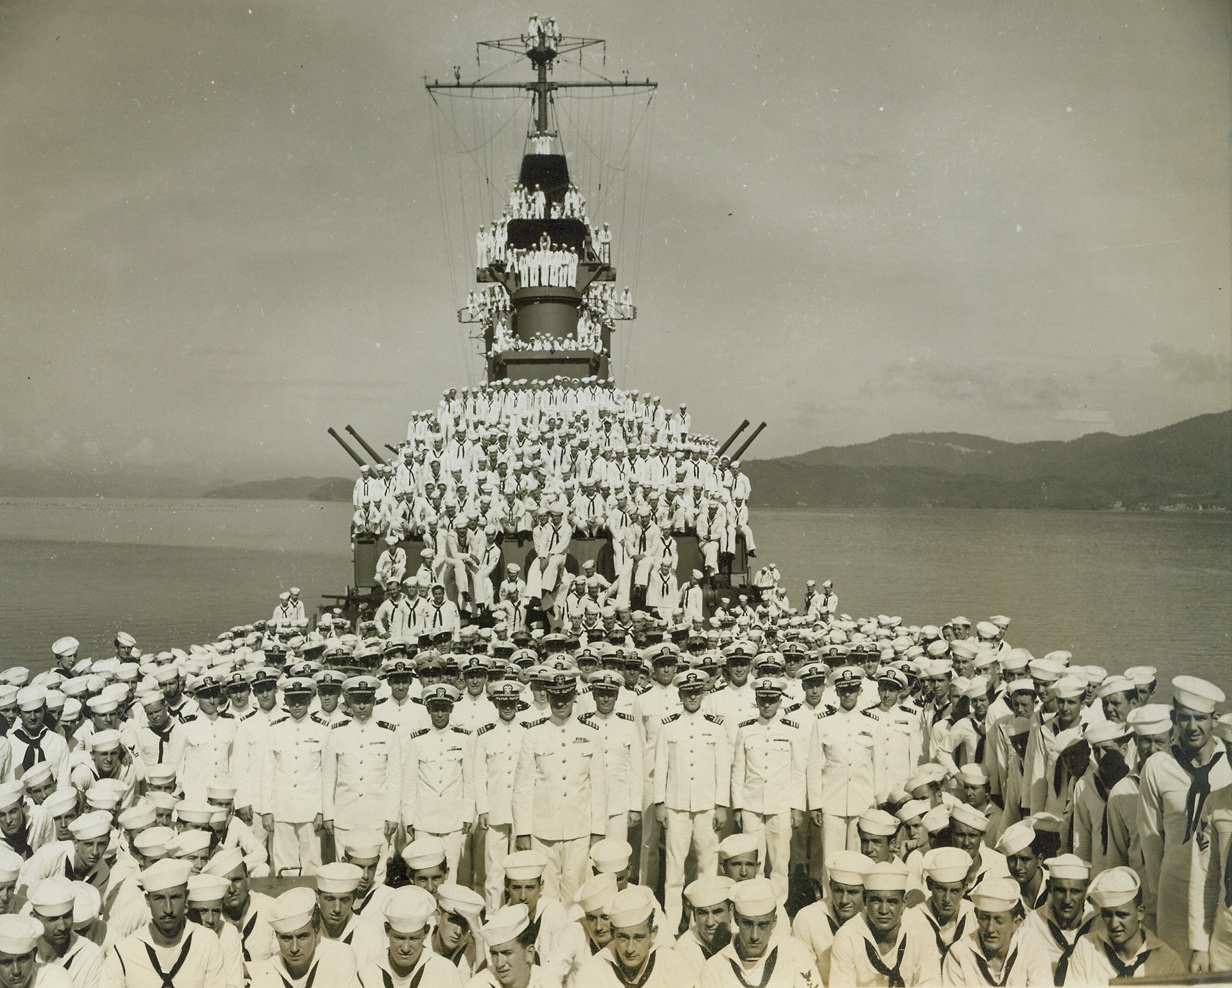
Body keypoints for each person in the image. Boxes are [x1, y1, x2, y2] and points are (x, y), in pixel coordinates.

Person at [1138, 676, 1231, 957]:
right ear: (1174, 717)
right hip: (1174, 888)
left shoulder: (1229, 763)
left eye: (1201, 718)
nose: (1192, 727)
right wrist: (1159, 891)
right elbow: (1150, 838)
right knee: (1175, 966)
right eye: (1184, 718)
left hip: (1218, 892)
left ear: (1214, 719)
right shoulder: (1157, 766)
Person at [512, 670, 607, 904]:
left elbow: (599, 787)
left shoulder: (590, 734)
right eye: (555, 697)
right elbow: (522, 786)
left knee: (576, 892)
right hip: (542, 830)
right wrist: (522, 831)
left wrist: (598, 831)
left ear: (575, 696)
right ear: (548, 697)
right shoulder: (534, 734)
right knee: (545, 894)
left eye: (566, 696)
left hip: (580, 829)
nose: (561, 702)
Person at [654, 668, 730, 933]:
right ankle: (672, 923)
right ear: (680, 694)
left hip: (707, 806)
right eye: (688, 692)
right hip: (676, 807)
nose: (693, 696)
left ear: (704, 693)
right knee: (674, 869)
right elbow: (661, 765)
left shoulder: (715, 727)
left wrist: (721, 805)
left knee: (708, 866)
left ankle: (705, 923)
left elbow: (723, 768)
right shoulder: (668, 726)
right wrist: (659, 803)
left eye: (697, 691)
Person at [731, 677, 806, 905]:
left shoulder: (791, 731)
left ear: (779, 701)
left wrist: (797, 808)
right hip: (751, 805)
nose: (767, 705)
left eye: (771, 700)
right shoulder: (745, 730)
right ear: (756, 700)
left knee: (780, 863)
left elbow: (798, 771)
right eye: (763, 700)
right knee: (754, 860)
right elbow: (738, 770)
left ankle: (778, 907)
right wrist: (737, 806)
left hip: (781, 806)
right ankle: (752, 904)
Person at [322, 676, 403, 879]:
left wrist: (392, 815)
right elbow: (328, 778)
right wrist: (328, 815)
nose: (362, 706)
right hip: (345, 816)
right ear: (349, 702)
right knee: (345, 871)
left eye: (366, 701)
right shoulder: (337, 733)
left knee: (377, 871)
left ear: (374, 701)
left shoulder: (388, 733)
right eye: (357, 701)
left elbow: (394, 779)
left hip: (377, 816)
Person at [102, 858, 228, 987]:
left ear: (186, 897)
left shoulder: (205, 942)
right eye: (159, 899)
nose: (168, 909)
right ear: (147, 900)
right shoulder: (124, 952)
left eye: (175, 898)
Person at [828, 861, 942, 987]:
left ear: (903, 903)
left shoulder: (920, 929)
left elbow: (930, 982)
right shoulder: (847, 936)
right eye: (876, 901)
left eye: (892, 902)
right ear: (865, 900)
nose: (883, 910)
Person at [258, 676, 327, 878]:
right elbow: (267, 773)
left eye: (302, 699)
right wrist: (266, 810)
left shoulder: (322, 730)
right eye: (292, 700)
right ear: (285, 702)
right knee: (283, 864)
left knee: (313, 863)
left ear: (310, 701)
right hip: (282, 809)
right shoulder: (275, 730)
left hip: (311, 809)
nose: (297, 704)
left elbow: (326, 774)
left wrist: (322, 810)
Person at [1068, 866, 1184, 983]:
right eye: (1107, 914)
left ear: (1140, 913)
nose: (1114, 924)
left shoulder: (1168, 961)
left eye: (1122, 915)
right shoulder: (1087, 948)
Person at [698, 877, 819, 987]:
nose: (754, 936)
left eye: (763, 925)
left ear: (774, 922)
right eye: (748, 924)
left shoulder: (795, 954)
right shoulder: (714, 968)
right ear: (736, 919)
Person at [940, 876, 1053, 986]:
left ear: (1016, 923)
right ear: (977, 917)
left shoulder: (1031, 945)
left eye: (999, 921)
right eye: (984, 918)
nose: (990, 929)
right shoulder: (959, 953)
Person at [575, 885, 691, 987]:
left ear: (653, 933)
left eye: (638, 937)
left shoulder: (675, 967)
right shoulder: (593, 971)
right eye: (623, 937)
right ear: (612, 932)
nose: (630, 949)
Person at [247, 885, 360, 988]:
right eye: (286, 938)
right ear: (277, 937)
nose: (294, 948)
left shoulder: (340, 956)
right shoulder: (266, 972)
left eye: (302, 937)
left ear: (317, 932)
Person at [791, 850, 873, 984]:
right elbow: (803, 975)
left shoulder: (876, 918)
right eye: (838, 890)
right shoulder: (808, 918)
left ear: (866, 893)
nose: (844, 900)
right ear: (830, 887)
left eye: (853, 892)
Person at [356, 885, 463, 987]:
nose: (405, 948)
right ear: (387, 930)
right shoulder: (368, 975)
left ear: (426, 932)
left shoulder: (445, 972)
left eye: (414, 938)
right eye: (399, 937)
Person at [27, 876, 103, 987]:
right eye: (53, 919)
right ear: (34, 918)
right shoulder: (22, 953)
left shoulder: (89, 955)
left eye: (67, 916)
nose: (62, 927)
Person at [467, 903, 555, 988]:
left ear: (529, 953)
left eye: (507, 953)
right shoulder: (479, 984)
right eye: (494, 954)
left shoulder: (547, 983)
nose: (499, 963)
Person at [674, 875, 733, 979]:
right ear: (695, 915)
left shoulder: (742, 936)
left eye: (717, 912)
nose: (710, 922)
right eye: (703, 913)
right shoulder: (685, 948)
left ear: (731, 911)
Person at [0, 913, 73, 988]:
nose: (16, 971)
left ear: (33, 956)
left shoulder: (55, 978)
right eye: (6, 963)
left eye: (23, 960)